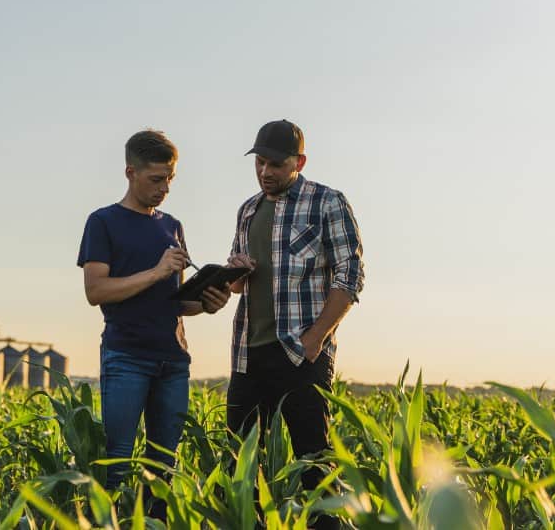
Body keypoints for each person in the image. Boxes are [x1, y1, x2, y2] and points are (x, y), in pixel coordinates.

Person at [77, 129, 231, 512]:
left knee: (164, 465)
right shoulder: (103, 222)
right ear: (130, 172)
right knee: (118, 461)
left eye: (170, 179)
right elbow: (96, 292)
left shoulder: (172, 225)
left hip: (174, 360)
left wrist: (209, 303)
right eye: (156, 179)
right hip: (126, 357)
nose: (165, 188)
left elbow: (175, 304)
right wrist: (157, 271)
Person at [225, 119, 364, 530]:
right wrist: (234, 270)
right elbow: (235, 285)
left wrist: (316, 337)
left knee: (315, 466)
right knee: (242, 467)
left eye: (275, 164)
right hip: (249, 354)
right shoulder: (248, 210)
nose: (266, 172)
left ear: (299, 162)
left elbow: (350, 274)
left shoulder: (327, 202)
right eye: (260, 163)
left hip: (302, 354)